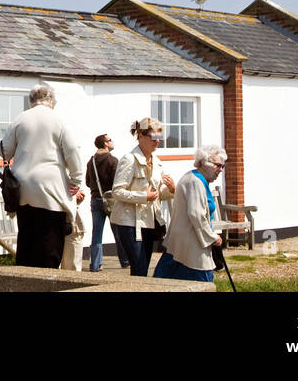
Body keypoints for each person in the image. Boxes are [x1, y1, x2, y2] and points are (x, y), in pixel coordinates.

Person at [0, 85, 82, 268]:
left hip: (23, 189)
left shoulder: (20, 119)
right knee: (50, 243)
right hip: (50, 189)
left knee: (27, 240)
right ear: (52, 100)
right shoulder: (58, 120)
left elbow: (6, 150)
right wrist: (76, 179)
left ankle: (25, 280)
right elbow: (72, 150)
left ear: (31, 100)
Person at [109, 116, 175, 276]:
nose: (157, 141)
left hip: (149, 222)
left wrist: (172, 190)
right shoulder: (129, 159)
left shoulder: (157, 161)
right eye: (153, 137)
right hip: (128, 222)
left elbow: (157, 194)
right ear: (140, 136)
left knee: (143, 268)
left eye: (160, 138)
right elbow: (117, 191)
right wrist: (143, 196)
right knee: (138, 266)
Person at [155, 145, 226, 282]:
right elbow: (196, 214)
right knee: (199, 283)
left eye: (222, 166)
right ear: (203, 162)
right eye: (217, 165)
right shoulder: (195, 181)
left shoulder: (197, 179)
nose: (220, 170)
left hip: (184, 243)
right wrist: (212, 237)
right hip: (191, 245)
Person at [85, 133, 131, 271]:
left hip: (95, 200)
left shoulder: (91, 161)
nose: (112, 142)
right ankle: (125, 260)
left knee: (96, 234)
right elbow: (117, 183)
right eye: (110, 140)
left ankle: (95, 265)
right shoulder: (113, 161)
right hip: (111, 201)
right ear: (105, 144)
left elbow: (88, 182)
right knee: (118, 231)